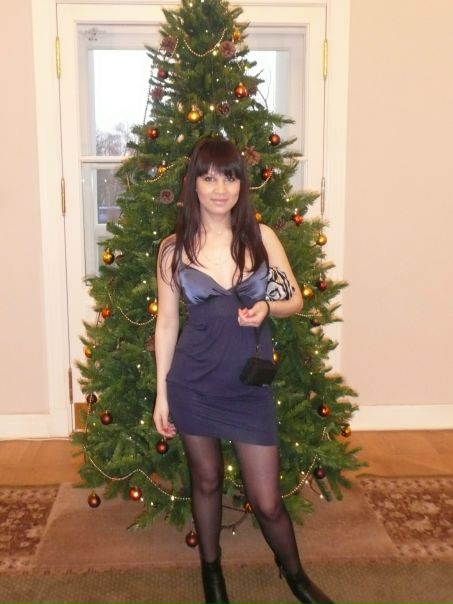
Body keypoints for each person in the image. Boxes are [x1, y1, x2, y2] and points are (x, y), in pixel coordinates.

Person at [154, 137, 334, 604]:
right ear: (193, 184)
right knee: (206, 481)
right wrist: (162, 395)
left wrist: (268, 307)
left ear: (241, 183)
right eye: (209, 177)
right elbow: (167, 324)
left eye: (230, 177)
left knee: (267, 500)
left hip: (248, 389)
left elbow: (294, 300)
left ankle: (296, 576)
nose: (220, 189)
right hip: (193, 384)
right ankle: (212, 573)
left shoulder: (261, 237)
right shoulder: (173, 250)